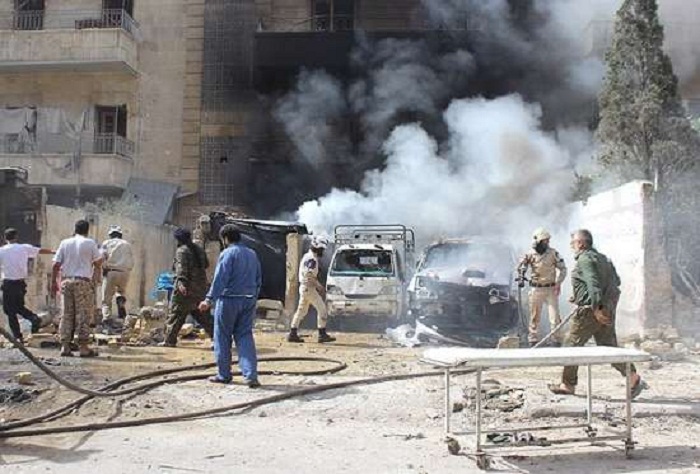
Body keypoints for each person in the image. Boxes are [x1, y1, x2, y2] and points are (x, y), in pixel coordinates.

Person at [549, 229, 647, 398]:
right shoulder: (603, 258)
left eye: (573, 242)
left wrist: (596, 307)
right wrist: (583, 297)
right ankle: (632, 377)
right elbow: (616, 281)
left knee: (571, 346)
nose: (571, 246)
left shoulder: (585, 259)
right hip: (604, 308)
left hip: (591, 312)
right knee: (609, 347)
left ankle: (568, 385)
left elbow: (593, 284)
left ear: (581, 243)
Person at [198, 225, 262, 386]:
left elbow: (221, 278)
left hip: (229, 300)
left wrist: (209, 299)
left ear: (225, 238)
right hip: (248, 300)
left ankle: (224, 374)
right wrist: (253, 297)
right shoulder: (252, 254)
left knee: (222, 336)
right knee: (245, 336)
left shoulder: (227, 253)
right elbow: (258, 279)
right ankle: (251, 375)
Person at [52, 219, 102, 357]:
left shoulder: (64, 243)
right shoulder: (90, 243)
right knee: (83, 314)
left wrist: (52, 284)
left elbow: (55, 265)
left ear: (75, 229)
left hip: (66, 281)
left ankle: (65, 346)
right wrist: (95, 278)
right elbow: (98, 262)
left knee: (66, 314)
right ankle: (83, 347)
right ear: (87, 230)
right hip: (82, 282)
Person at [161, 227, 214, 347]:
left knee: (176, 314)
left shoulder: (181, 251)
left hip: (186, 289)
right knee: (203, 316)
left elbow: (181, 269)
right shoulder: (199, 249)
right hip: (200, 288)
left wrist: (181, 283)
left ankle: (169, 340)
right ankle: (218, 338)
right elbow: (206, 264)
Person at [0, 228, 54, 344]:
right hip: (20, 283)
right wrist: (55, 251)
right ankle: (33, 318)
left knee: (10, 311)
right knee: (19, 306)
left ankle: (17, 337)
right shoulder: (24, 248)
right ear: (16, 237)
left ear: (5, 238)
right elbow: (40, 251)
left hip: (8, 283)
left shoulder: (2, 251)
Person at [517, 228, 567, 347]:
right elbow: (521, 266)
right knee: (534, 317)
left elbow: (563, 268)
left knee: (555, 318)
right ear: (538, 241)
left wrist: (558, 282)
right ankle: (533, 340)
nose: (547, 243)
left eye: (548, 241)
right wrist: (521, 274)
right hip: (536, 288)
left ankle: (556, 340)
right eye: (545, 241)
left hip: (550, 289)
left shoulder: (553, 253)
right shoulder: (530, 254)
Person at [287, 236, 335, 344]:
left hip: (304, 288)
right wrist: (319, 287)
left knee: (301, 311)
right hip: (309, 288)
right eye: (322, 249)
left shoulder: (307, 256)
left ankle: (292, 333)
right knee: (322, 309)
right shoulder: (312, 259)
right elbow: (309, 275)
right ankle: (322, 334)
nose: (322, 251)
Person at [100, 225, 134, 328]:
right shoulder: (127, 244)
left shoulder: (106, 243)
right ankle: (120, 300)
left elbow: (102, 257)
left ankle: (106, 318)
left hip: (111, 271)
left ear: (111, 235)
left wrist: (103, 269)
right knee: (121, 291)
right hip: (125, 272)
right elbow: (131, 260)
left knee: (106, 298)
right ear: (120, 235)